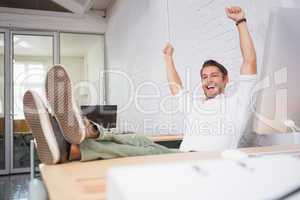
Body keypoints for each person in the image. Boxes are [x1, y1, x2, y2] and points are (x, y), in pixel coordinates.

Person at [23, 65, 176, 165]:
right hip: (177, 152)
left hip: (187, 155)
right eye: (201, 77)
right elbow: (178, 91)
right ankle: (83, 137)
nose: (202, 82)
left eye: (202, 77)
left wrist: (168, 57)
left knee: (147, 150)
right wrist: (168, 57)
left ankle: (82, 136)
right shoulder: (195, 102)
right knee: (137, 138)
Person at [163, 6, 257, 152]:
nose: (208, 80)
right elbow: (176, 88)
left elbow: (249, 62)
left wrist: (240, 21)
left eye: (214, 75)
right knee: (133, 142)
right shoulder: (194, 106)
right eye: (204, 77)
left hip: (208, 165)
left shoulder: (237, 104)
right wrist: (168, 57)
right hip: (179, 159)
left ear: (225, 79)